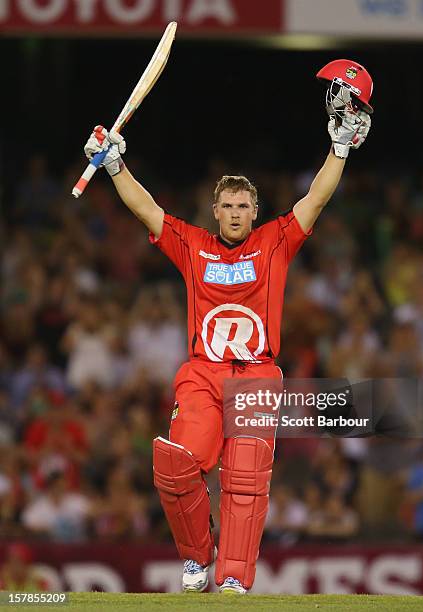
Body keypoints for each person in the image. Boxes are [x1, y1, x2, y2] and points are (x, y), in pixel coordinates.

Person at [83, 60, 372, 594]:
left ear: (255, 210)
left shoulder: (276, 241)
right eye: (228, 206)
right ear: (215, 210)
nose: (236, 213)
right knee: (173, 465)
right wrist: (116, 167)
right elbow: (147, 210)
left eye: (244, 206)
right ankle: (197, 560)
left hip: (257, 375)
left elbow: (317, 197)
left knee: (244, 478)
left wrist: (340, 149)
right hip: (203, 373)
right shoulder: (193, 245)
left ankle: (235, 579)